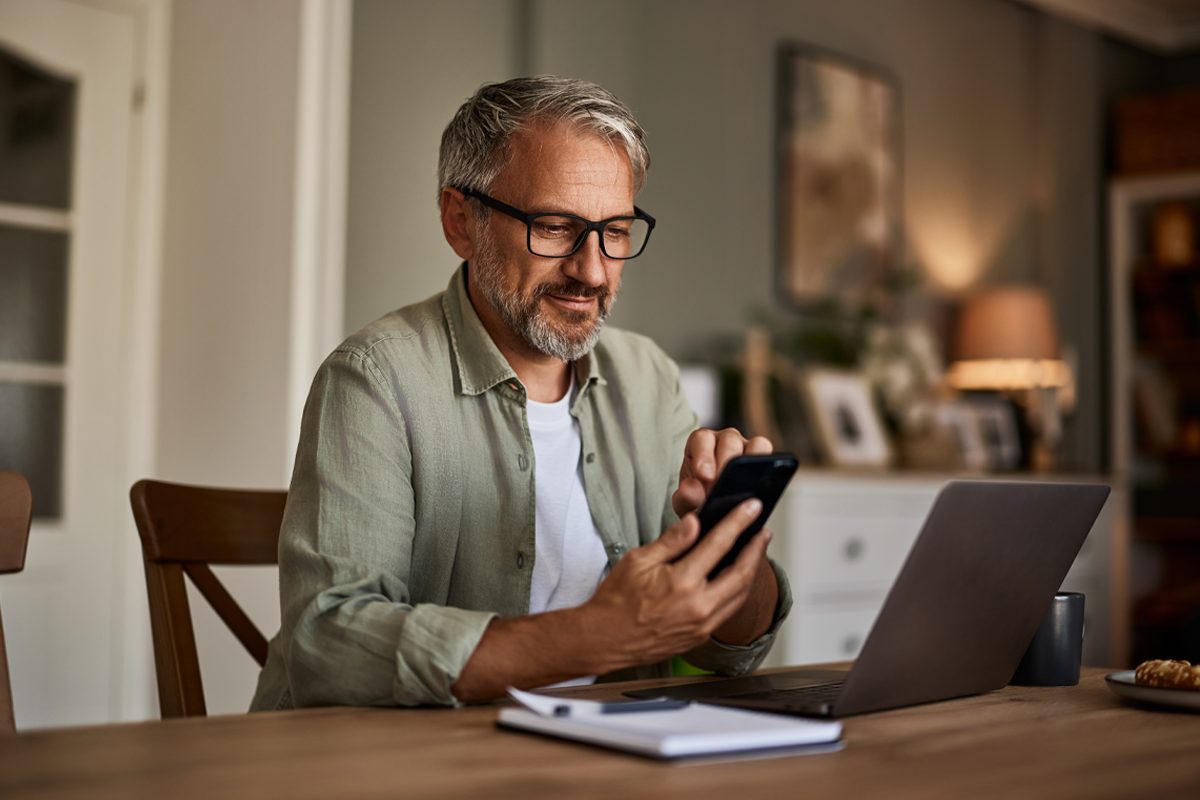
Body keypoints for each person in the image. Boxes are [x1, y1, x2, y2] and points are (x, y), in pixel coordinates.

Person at [250, 76, 791, 710]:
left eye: (615, 231)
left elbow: (734, 649)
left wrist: (730, 550)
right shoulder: (374, 379)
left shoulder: (648, 378)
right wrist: (595, 636)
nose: (591, 270)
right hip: (401, 764)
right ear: (461, 221)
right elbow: (330, 646)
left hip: (601, 757)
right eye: (556, 226)